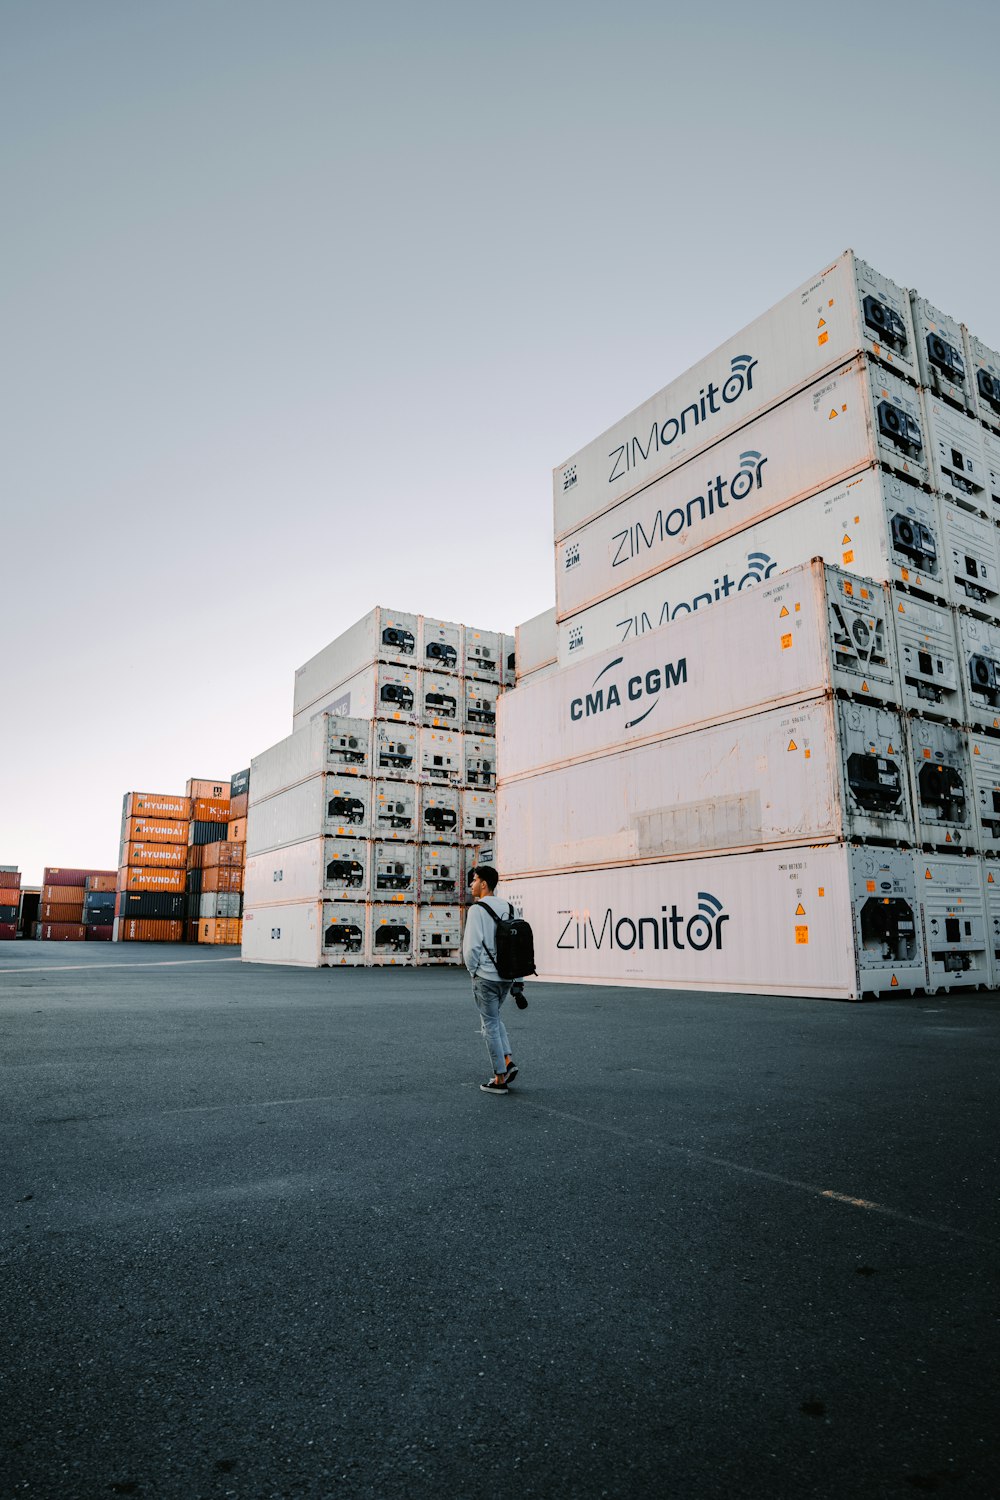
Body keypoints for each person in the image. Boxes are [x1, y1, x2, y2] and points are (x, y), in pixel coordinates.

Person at [463, 865, 518, 1095]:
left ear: (484, 883)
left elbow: (471, 947)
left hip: (485, 976)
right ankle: (507, 1062)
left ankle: (499, 1079)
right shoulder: (509, 907)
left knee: (490, 1025)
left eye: (474, 880)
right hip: (507, 976)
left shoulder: (477, 910)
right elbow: (517, 945)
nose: (471, 885)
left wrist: (473, 971)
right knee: (494, 1019)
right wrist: (518, 978)